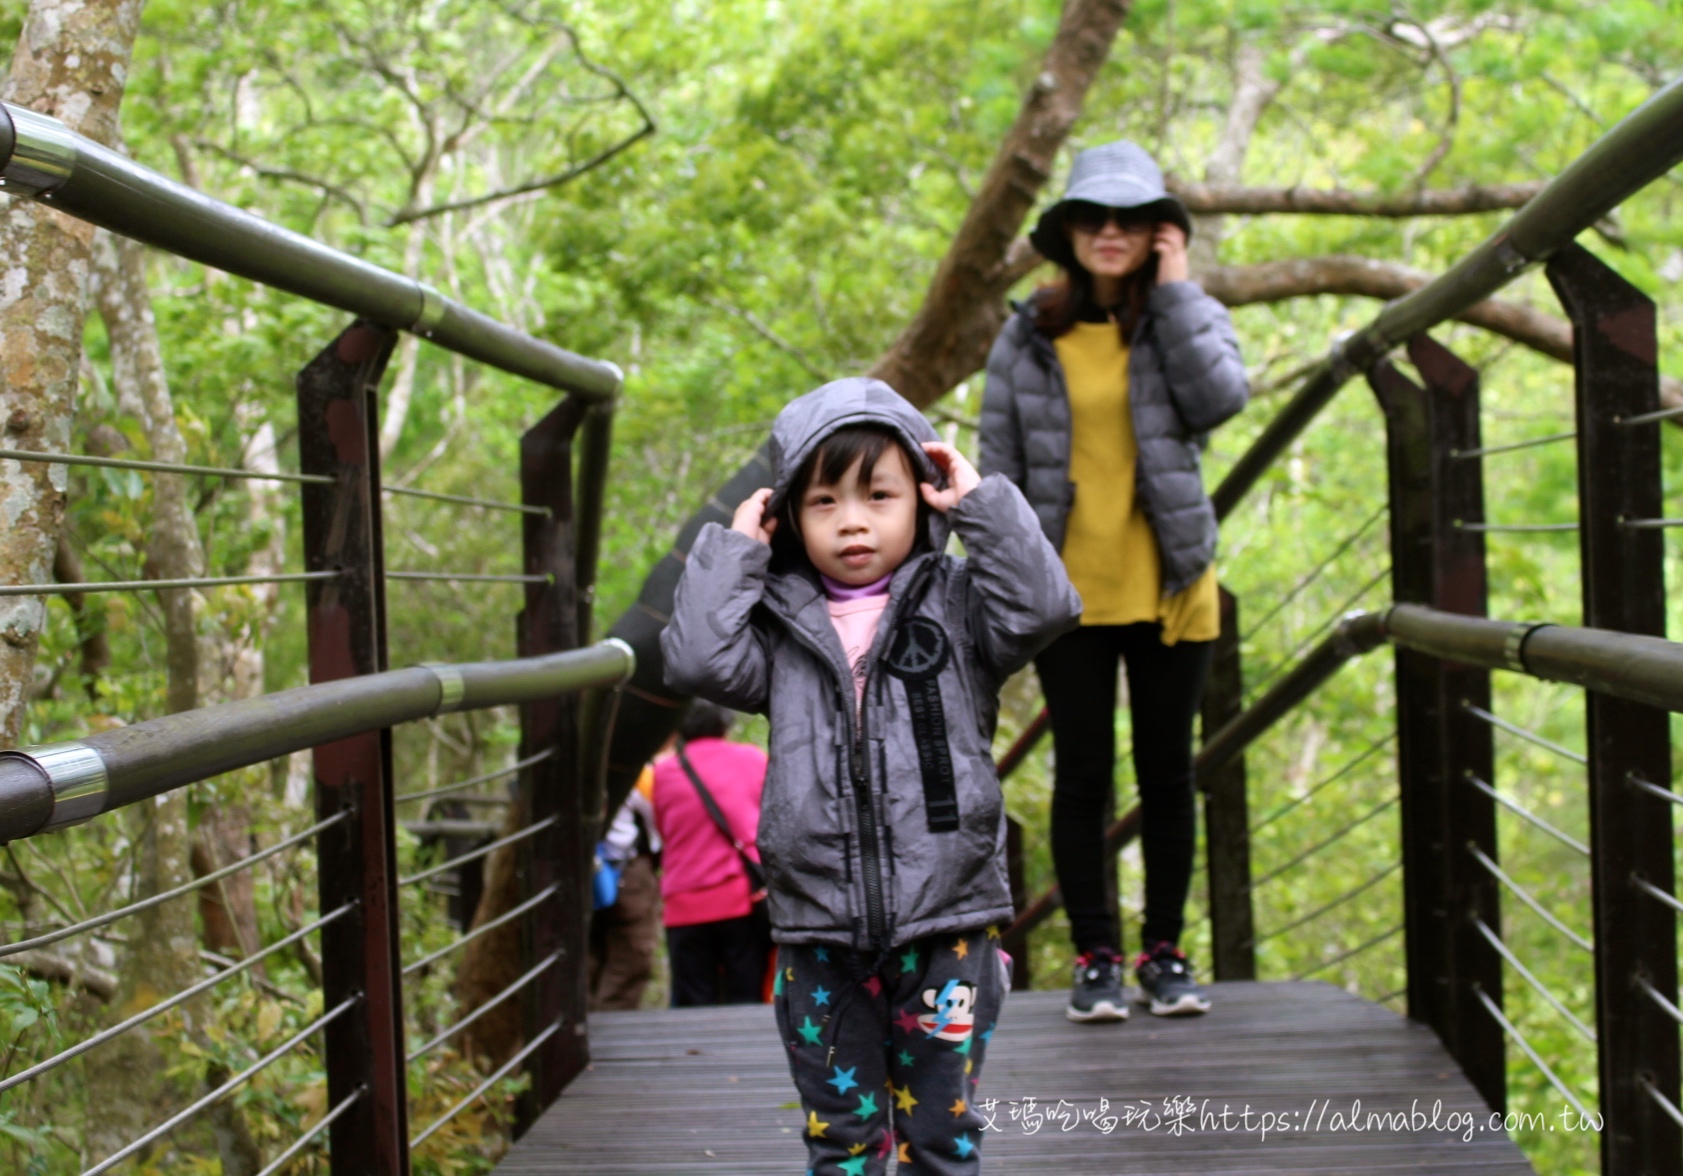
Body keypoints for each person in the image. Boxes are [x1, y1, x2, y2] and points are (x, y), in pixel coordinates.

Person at [663, 376, 1080, 1175]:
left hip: (948, 920)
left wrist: (979, 505)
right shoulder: (781, 629)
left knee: (941, 1134)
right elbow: (693, 657)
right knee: (842, 1140)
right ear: (789, 518)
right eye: (822, 502)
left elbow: (1045, 607)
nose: (852, 520)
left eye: (879, 495)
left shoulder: (960, 608)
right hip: (818, 929)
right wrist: (737, 549)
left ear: (921, 501)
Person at [979, 140, 1249, 1023]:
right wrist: (1005, 573)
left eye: (1130, 220)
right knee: (1082, 777)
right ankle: (1095, 956)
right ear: (1067, 233)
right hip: (1070, 595)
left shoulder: (1183, 313)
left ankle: (1164, 954)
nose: (1108, 233)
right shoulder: (1030, 331)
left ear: (1157, 234)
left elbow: (1219, 401)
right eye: (1092, 218)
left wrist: (1173, 291)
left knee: (1168, 775)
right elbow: (999, 462)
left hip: (1171, 587)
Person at [651, 700, 772, 1006]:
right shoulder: (751, 759)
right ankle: (745, 1055)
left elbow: (664, 830)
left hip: (683, 902)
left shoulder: (664, 773)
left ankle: (695, 1053)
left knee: (694, 1000)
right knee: (746, 994)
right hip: (740, 900)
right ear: (725, 722)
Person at [588, 760, 663, 1011]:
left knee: (590, 953)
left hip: (586, 870)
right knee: (631, 954)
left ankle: (588, 1020)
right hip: (627, 868)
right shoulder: (636, 770)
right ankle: (609, 1021)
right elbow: (658, 814)